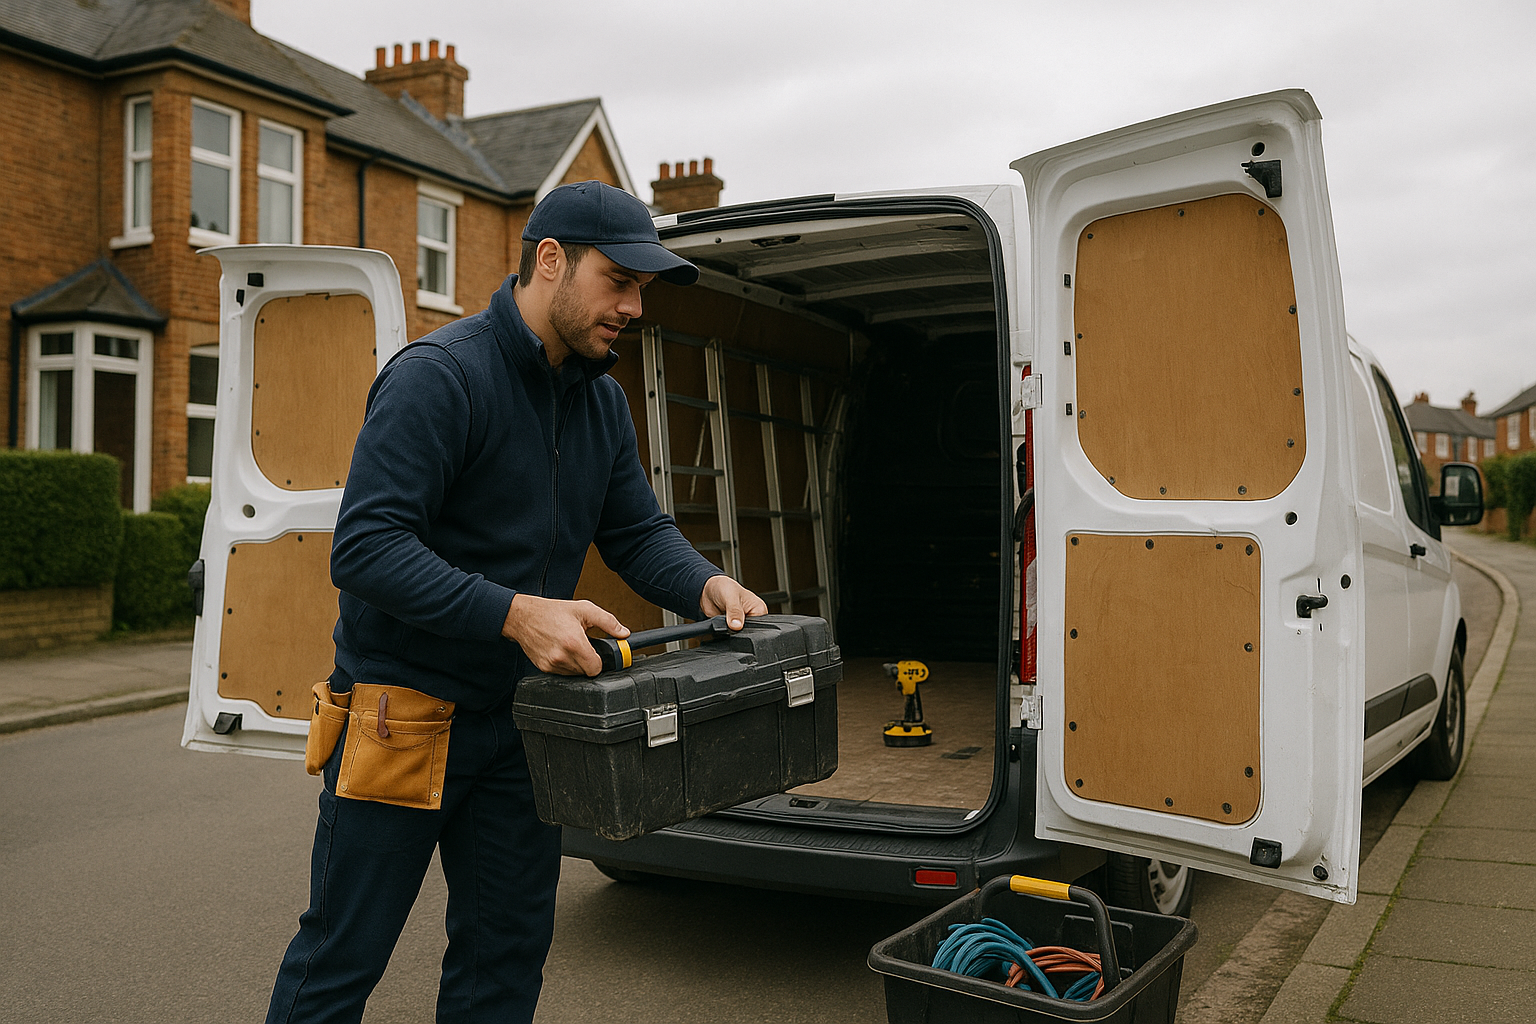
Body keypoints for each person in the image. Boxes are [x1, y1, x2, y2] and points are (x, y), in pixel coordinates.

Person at [265, 180, 767, 1024]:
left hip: (525, 723)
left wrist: (705, 583)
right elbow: (366, 549)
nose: (635, 307)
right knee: (341, 959)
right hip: (402, 717)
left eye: (643, 288)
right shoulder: (438, 377)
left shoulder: (599, 400)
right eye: (619, 281)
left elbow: (636, 531)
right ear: (550, 261)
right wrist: (517, 613)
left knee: (503, 965)